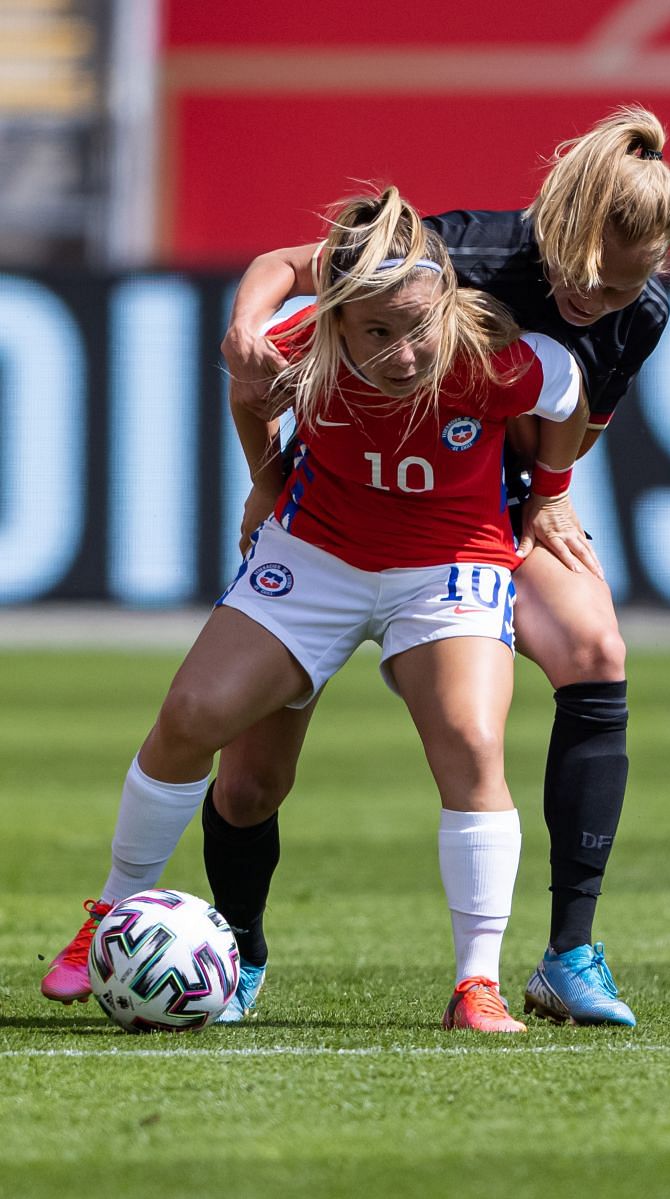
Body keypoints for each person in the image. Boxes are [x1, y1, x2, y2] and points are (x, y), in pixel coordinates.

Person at [41, 186, 596, 1032]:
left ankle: (475, 985)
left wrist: (550, 496)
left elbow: (569, 392)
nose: (407, 352)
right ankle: (107, 920)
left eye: (419, 325)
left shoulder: (489, 356)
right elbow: (247, 387)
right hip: (317, 556)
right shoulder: (301, 346)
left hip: (447, 565)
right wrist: (266, 480)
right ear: (338, 320)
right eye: (379, 331)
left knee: (473, 737)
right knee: (204, 728)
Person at [200, 105, 670, 1026]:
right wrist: (251, 346)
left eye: (624, 293)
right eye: (590, 281)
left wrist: (548, 495)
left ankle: (568, 955)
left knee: (597, 646)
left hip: (474, 518)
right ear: (559, 220)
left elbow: (576, 407)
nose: (601, 303)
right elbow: (290, 268)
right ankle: (241, 949)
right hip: (345, 513)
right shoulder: (456, 248)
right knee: (250, 776)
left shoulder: (641, 311)